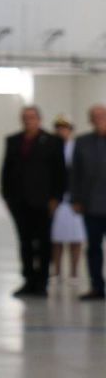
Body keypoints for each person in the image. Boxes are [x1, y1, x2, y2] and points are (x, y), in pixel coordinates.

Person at [0, 106, 66, 297]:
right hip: (19, 202)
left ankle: (42, 282)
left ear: (39, 119)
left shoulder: (53, 142)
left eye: (32, 117)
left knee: (44, 242)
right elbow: (6, 171)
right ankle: (28, 280)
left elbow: (60, 172)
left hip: (44, 201)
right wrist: (7, 196)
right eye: (25, 117)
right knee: (25, 242)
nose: (29, 120)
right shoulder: (13, 141)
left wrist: (56, 198)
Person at [70, 104, 106, 301]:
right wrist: (76, 199)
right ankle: (97, 287)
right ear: (90, 120)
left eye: (102, 115)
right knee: (93, 248)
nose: (99, 119)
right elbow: (75, 173)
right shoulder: (82, 142)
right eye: (95, 116)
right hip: (91, 205)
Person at [51, 114, 85, 280]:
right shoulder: (51, 148)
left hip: (74, 199)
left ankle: (74, 272)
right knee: (56, 238)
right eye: (58, 129)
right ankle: (56, 271)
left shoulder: (76, 148)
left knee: (75, 238)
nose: (61, 132)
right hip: (57, 200)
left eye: (65, 129)